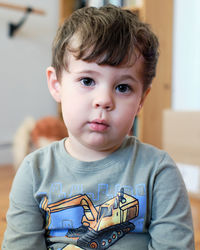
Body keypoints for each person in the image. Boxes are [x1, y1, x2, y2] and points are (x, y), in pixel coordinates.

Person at [3, 4, 194, 250]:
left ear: (141, 100)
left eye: (123, 87)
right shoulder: (33, 172)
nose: (104, 100)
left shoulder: (159, 172)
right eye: (87, 80)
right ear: (56, 84)